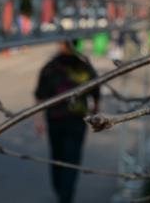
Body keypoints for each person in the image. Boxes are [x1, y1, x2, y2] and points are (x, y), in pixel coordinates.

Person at [34, 40, 100, 203]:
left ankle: (61, 194)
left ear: (63, 44)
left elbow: (39, 97)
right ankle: (66, 196)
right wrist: (94, 115)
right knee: (72, 160)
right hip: (77, 120)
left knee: (57, 158)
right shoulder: (85, 66)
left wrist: (39, 120)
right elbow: (96, 95)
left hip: (56, 120)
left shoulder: (50, 67)